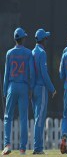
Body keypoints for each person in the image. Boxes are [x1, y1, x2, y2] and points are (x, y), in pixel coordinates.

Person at [2, 27, 35, 155]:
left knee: (7, 117)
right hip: (24, 86)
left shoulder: (9, 53)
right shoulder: (28, 53)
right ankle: (22, 148)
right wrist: (31, 88)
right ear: (23, 39)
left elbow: (6, 74)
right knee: (23, 118)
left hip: (11, 86)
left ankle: (7, 145)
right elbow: (31, 73)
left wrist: (5, 91)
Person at [31, 28, 57, 154]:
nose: (47, 40)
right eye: (46, 38)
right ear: (43, 40)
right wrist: (52, 88)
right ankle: (38, 148)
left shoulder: (32, 52)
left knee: (37, 118)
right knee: (40, 119)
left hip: (33, 88)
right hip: (41, 88)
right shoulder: (42, 53)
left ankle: (37, 147)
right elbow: (44, 73)